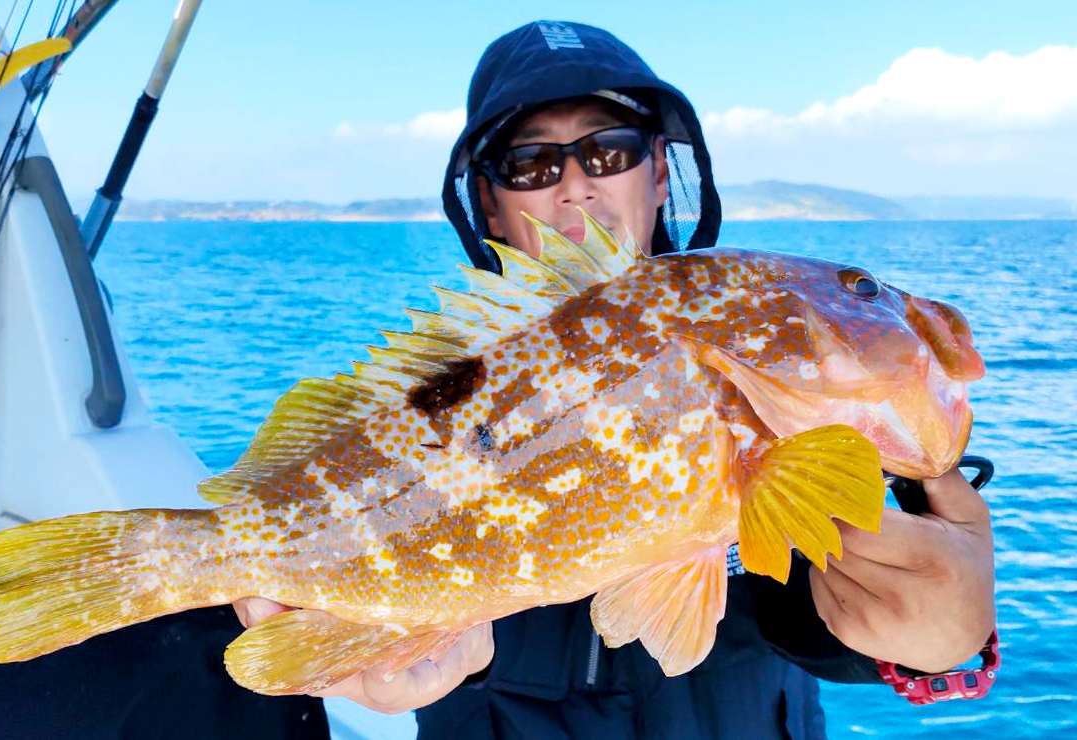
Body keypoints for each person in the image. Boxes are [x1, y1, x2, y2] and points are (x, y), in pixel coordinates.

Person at [238, 20, 997, 739]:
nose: (575, 187)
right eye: (531, 164)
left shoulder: (769, 377)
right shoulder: (445, 384)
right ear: (490, 206)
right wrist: (440, 655)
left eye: (610, 151)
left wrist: (930, 634)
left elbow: (811, 612)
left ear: (660, 172)